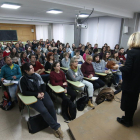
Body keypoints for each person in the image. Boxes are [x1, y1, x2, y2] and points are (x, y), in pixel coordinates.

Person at [19, 63, 63, 139]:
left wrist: (42, 92)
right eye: (31, 68)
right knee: (43, 110)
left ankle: (54, 125)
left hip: (41, 93)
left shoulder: (37, 75)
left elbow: (43, 84)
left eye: (33, 67)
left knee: (51, 105)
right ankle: (56, 127)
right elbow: (24, 92)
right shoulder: (22, 80)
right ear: (26, 71)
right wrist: (37, 94)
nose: (33, 69)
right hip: (32, 96)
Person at [117, 32, 140, 127]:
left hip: (130, 83)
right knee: (133, 101)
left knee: (127, 102)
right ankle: (128, 118)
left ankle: (127, 121)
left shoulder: (131, 52)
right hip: (137, 82)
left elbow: (127, 69)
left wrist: (119, 67)